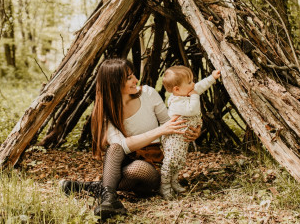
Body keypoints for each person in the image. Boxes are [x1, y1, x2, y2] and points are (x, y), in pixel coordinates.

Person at [59, 58, 200, 218]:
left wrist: (194, 131)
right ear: (114, 83)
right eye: (128, 78)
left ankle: (93, 188)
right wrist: (159, 131)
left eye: (133, 75)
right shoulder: (106, 111)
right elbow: (121, 146)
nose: (135, 80)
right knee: (115, 147)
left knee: (139, 169)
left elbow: (170, 123)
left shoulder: (148, 93)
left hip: (151, 165)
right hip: (123, 163)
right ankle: (109, 200)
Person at [159, 66, 220, 199]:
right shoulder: (176, 102)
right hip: (174, 139)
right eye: (189, 82)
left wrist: (212, 77)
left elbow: (199, 86)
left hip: (182, 139)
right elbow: (192, 109)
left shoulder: (186, 92)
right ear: (176, 89)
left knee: (180, 161)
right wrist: (195, 96)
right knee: (171, 161)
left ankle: (174, 181)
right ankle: (164, 186)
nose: (193, 85)